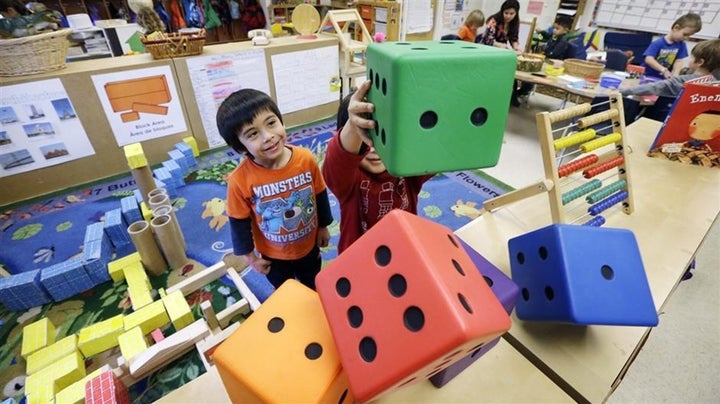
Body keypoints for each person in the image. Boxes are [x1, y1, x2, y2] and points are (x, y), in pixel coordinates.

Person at [216, 89, 333, 291]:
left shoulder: (305, 159)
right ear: (240, 147)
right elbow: (239, 222)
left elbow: (320, 194)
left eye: (271, 123)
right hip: (274, 255)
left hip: (308, 245)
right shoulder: (239, 180)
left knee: (313, 283)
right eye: (253, 134)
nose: (268, 136)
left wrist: (323, 226)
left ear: (281, 121)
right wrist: (250, 258)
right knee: (284, 291)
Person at [322, 81, 434, 253]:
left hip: (404, 251)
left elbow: (437, 149)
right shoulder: (349, 180)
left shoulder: (405, 165)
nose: (373, 149)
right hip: (359, 260)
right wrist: (353, 125)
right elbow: (337, 161)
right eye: (364, 140)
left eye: (382, 137)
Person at [513, 14, 575, 105]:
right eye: (554, 28)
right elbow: (545, 37)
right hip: (546, 60)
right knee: (530, 72)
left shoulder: (563, 41)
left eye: (557, 29)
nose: (554, 30)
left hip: (552, 64)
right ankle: (522, 91)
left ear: (565, 30)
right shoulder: (554, 36)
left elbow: (554, 53)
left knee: (533, 74)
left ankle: (524, 91)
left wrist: (544, 54)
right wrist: (539, 32)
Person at [641, 13, 702, 79]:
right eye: (685, 34)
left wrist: (676, 74)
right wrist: (663, 70)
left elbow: (679, 61)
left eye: (689, 35)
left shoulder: (682, 44)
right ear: (676, 28)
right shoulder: (658, 43)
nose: (686, 38)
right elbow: (649, 59)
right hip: (646, 76)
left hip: (662, 79)